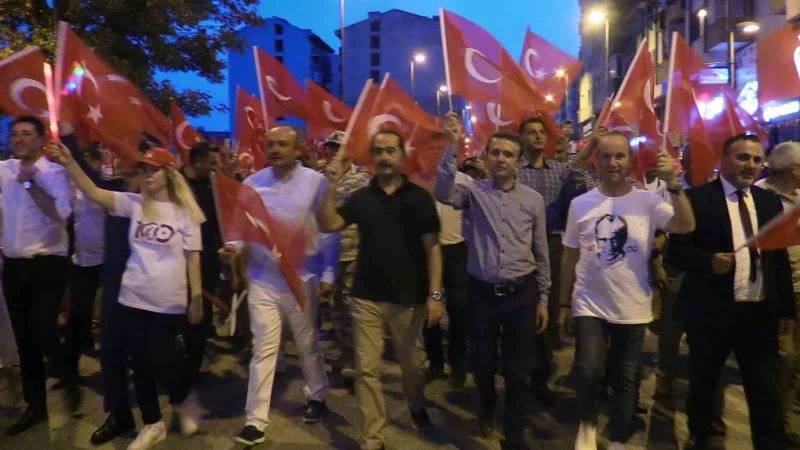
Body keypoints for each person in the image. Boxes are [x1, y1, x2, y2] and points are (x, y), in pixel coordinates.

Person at [50, 144, 206, 450]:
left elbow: (193, 257)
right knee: (140, 361)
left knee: (162, 357)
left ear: (169, 173)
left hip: (167, 299)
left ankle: (183, 395)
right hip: (132, 295)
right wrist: (69, 161)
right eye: (144, 170)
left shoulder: (185, 212)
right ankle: (153, 424)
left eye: (154, 170)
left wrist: (197, 296)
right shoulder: (134, 204)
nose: (148, 175)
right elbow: (94, 192)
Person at [559, 132, 695, 450]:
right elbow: (569, 255)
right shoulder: (581, 204)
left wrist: (673, 184)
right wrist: (563, 304)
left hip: (633, 305)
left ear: (630, 161)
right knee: (589, 370)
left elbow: (685, 226)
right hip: (589, 301)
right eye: (606, 156)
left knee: (625, 376)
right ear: (595, 161)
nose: (613, 162)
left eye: (619, 156)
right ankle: (587, 425)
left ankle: (619, 436)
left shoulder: (647, 201)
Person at [318, 129, 444, 450]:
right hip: (366, 297)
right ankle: (372, 438)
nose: (384, 157)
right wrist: (330, 185)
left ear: (402, 155)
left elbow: (432, 249)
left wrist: (435, 294)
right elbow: (328, 224)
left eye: (390, 150)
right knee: (367, 370)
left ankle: (416, 403)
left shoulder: (419, 198)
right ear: (372, 157)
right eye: (378, 151)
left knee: (413, 366)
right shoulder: (362, 197)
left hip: (409, 299)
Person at [668, 133, 795, 449]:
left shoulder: (768, 201)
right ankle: (703, 438)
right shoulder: (697, 199)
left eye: (757, 159)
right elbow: (676, 252)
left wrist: (787, 309)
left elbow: (778, 258)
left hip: (758, 311)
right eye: (743, 157)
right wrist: (709, 262)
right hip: (711, 312)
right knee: (705, 385)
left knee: (765, 390)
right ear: (723, 160)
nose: (751, 165)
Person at [435, 113, 550, 450]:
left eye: (508, 154)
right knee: (483, 362)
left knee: (517, 369)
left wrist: (544, 298)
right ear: (486, 157)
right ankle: (487, 405)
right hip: (482, 293)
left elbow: (541, 250)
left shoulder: (533, 200)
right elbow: (442, 192)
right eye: (495, 152)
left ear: (518, 161)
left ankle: (513, 433)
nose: (501, 158)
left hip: (521, 294)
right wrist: (451, 145)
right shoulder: (471, 193)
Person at [220, 126, 330, 447]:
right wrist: (233, 247)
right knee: (263, 348)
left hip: (301, 278)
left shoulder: (315, 182)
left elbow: (328, 231)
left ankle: (317, 393)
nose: (276, 149)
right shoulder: (252, 184)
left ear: (298, 149)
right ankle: (255, 420)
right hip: (262, 280)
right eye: (270, 144)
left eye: (283, 144)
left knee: (307, 343)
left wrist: (328, 274)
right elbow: (240, 227)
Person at [3, 116, 73, 436]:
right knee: (25, 341)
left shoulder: (55, 173)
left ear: (41, 139)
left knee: (44, 331)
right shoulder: (4, 170)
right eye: (14, 134)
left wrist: (30, 183)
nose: (19, 139)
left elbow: (60, 216)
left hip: (47, 264)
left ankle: (66, 369)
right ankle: (36, 407)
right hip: (14, 265)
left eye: (26, 134)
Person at [755, 141, 800, 445]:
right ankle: (775, 421)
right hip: (776, 294)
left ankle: (791, 418)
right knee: (782, 360)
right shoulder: (758, 197)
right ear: (794, 169)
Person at [320, 131, 371, 387]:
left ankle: (356, 358)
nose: (333, 152)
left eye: (338, 147)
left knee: (353, 306)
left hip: (355, 252)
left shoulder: (362, 178)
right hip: (328, 254)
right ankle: (345, 351)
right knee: (336, 307)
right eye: (330, 147)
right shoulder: (321, 178)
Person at [62, 142, 105, 398]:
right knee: (78, 314)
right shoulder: (72, 188)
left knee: (112, 317)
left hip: (109, 261)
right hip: (82, 260)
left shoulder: (105, 186)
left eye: (89, 161)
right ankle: (69, 369)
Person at [181, 142, 223, 385]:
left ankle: (193, 363)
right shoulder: (175, 183)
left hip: (207, 257)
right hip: (177, 258)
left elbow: (221, 219)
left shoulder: (214, 184)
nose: (215, 167)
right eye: (211, 162)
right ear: (197, 162)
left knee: (201, 310)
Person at [424, 167, 470, 387]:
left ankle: (457, 362)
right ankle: (435, 362)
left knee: (459, 310)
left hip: (457, 251)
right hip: (427, 249)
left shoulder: (466, 182)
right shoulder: (419, 180)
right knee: (430, 307)